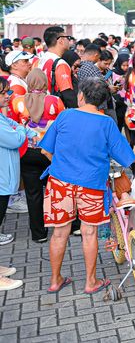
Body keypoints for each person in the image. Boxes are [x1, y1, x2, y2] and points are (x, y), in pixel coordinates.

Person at [41, 78, 135, 294]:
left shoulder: (65, 115)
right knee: (89, 232)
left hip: (60, 183)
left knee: (59, 232)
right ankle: (91, 282)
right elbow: (126, 158)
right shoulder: (106, 123)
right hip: (92, 185)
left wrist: (63, 166)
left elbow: (45, 150)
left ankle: (54, 280)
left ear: (81, 95)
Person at [9, 69, 65, 243]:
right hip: (50, 153)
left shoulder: (17, 102)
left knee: (33, 194)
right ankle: (65, 226)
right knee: (57, 190)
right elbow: (63, 124)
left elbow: (13, 125)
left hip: (27, 152)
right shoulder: (55, 101)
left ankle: (38, 234)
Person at [0, 77, 38, 291]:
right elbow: (15, 138)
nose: (8, 96)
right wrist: (23, 129)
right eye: (4, 93)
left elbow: (14, 126)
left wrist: (22, 129)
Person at [37, 26, 77, 108]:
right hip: (57, 108)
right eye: (68, 38)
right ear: (61, 40)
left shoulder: (40, 59)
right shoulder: (61, 64)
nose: (69, 40)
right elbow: (67, 94)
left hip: (42, 106)